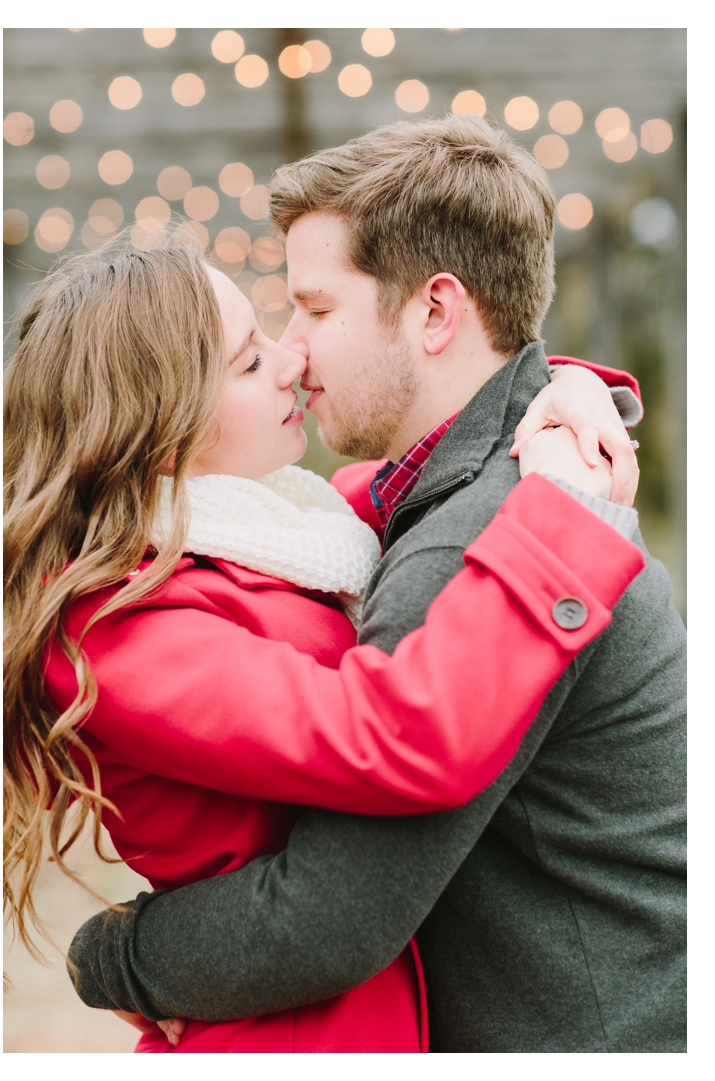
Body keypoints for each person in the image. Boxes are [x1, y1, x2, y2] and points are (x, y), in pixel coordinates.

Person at [64, 115, 686, 1052]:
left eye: (313, 309)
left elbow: (329, 915)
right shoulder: (432, 501)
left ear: (436, 311)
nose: (293, 350)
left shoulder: (475, 542)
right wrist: (572, 382)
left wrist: (109, 954)